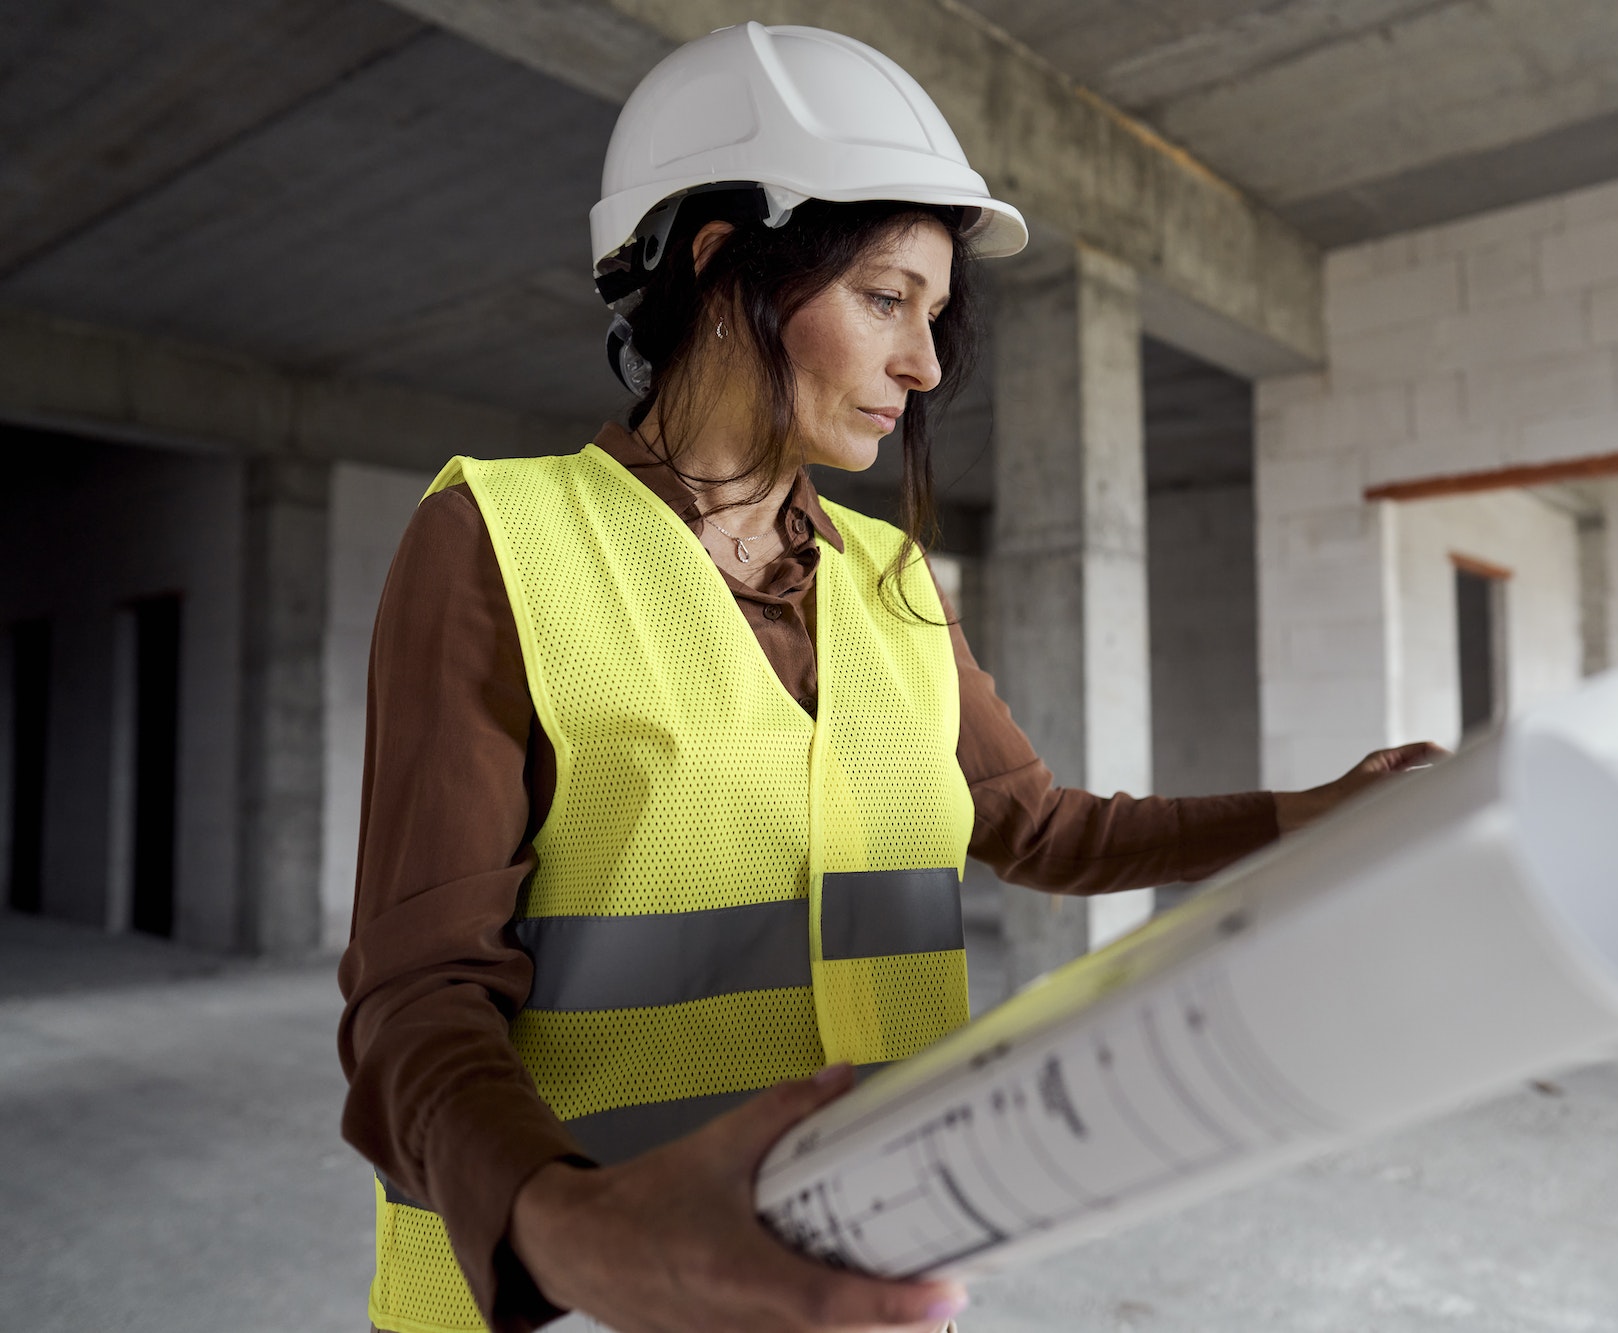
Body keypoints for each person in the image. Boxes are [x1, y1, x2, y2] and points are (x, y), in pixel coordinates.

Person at [337, 22, 1438, 1333]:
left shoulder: (889, 578)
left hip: (868, 1271)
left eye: (933, 314)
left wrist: (1305, 814)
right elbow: (417, 1000)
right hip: (587, 1297)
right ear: (718, 262)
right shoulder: (498, 541)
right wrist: (579, 1237)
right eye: (885, 297)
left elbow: (1041, 827)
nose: (923, 364)